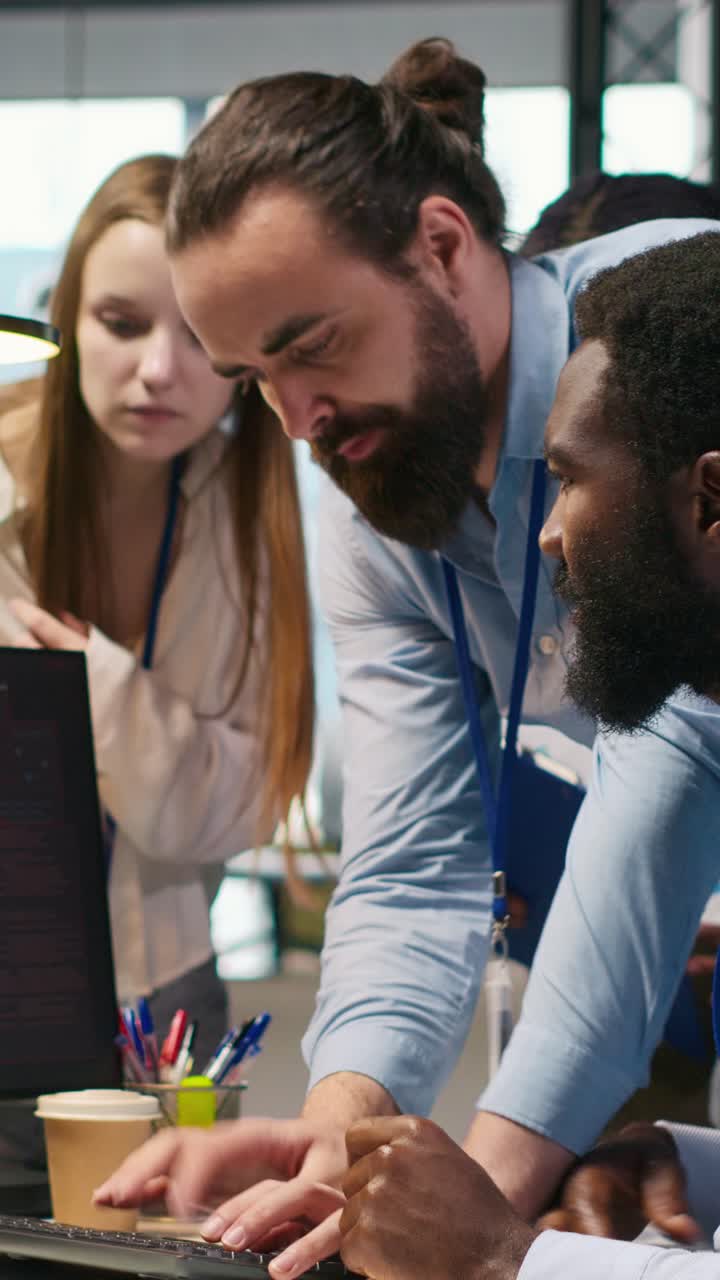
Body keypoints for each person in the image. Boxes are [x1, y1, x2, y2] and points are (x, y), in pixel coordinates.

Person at [94, 38, 720, 1274]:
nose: (297, 419)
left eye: (310, 342)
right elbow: (411, 850)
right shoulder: (366, 464)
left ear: (442, 246)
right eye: (255, 377)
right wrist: (344, 1134)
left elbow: (664, 775)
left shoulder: (652, 340)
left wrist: (473, 1211)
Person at [0, 153, 314, 1112]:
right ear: (66, 319)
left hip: (167, 1007)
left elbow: (226, 813)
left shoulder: (250, 516)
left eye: (199, 335)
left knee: (171, 1259)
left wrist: (88, 679)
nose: (159, 371)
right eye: (121, 323)